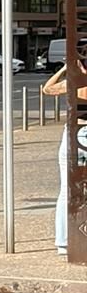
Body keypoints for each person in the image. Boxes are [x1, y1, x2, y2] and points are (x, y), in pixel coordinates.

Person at [42, 57, 87, 259]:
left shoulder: (73, 82)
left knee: (65, 190)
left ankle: (63, 242)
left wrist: (63, 69)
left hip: (72, 133)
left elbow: (47, 89)